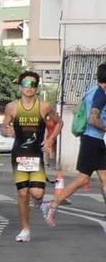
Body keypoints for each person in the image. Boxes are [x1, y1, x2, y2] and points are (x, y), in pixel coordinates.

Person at [46, 61, 106, 227]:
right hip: (91, 140)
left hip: (95, 140)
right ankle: (52, 204)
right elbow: (93, 119)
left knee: (105, 179)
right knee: (82, 179)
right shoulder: (101, 94)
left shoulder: (92, 91)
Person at [1, 70, 58, 242]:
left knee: (37, 193)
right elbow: (3, 127)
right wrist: (7, 131)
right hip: (19, 155)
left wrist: (51, 139)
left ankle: (41, 204)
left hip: (35, 155)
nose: (29, 88)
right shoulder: (12, 107)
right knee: (23, 194)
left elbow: (59, 122)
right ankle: (25, 229)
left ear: (37, 87)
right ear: (20, 87)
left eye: (33, 84)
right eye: (25, 84)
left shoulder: (44, 106)